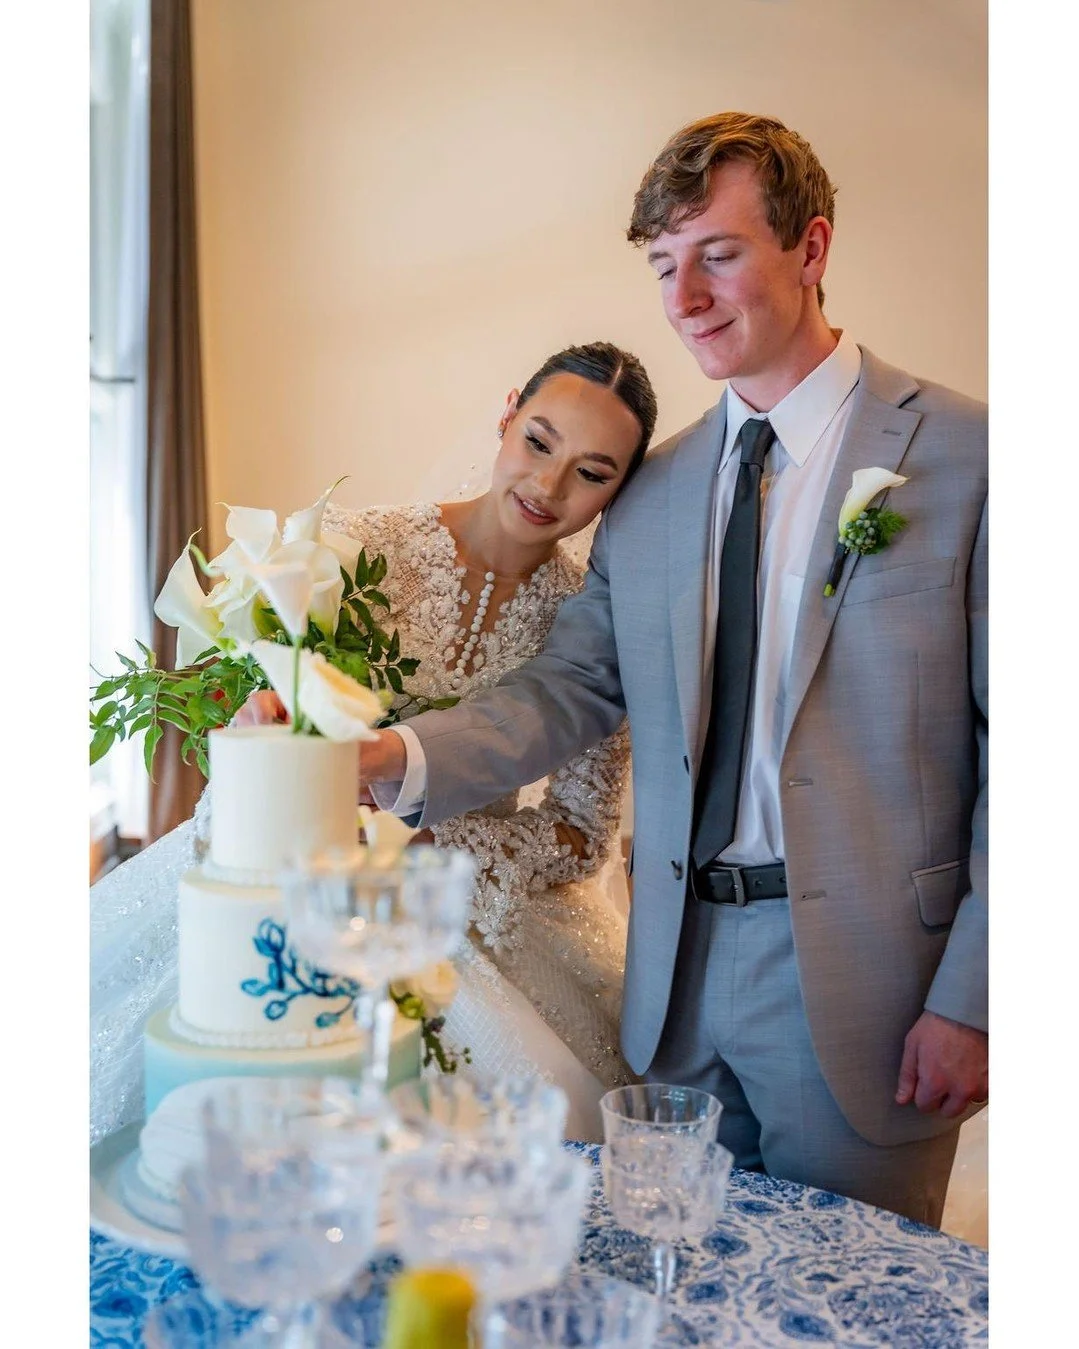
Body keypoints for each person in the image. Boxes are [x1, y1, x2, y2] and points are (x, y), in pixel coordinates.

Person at [355, 112, 988, 1226]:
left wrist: (976, 997)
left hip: (872, 989)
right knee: (673, 1277)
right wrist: (386, 758)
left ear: (810, 248)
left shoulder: (969, 456)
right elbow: (569, 687)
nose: (684, 297)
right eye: (662, 265)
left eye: (718, 255)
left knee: (848, 1295)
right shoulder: (649, 491)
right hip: (671, 986)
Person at [90, 340, 658, 1146]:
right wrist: (263, 730)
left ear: (619, 489)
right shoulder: (352, 549)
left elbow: (581, 832)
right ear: (506, 414)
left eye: (591, 473)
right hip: (291, 877)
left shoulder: (590, 630)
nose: (547, 485)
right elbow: (256, 707)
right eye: (538, 441)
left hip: (462, 911)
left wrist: (436, 845)